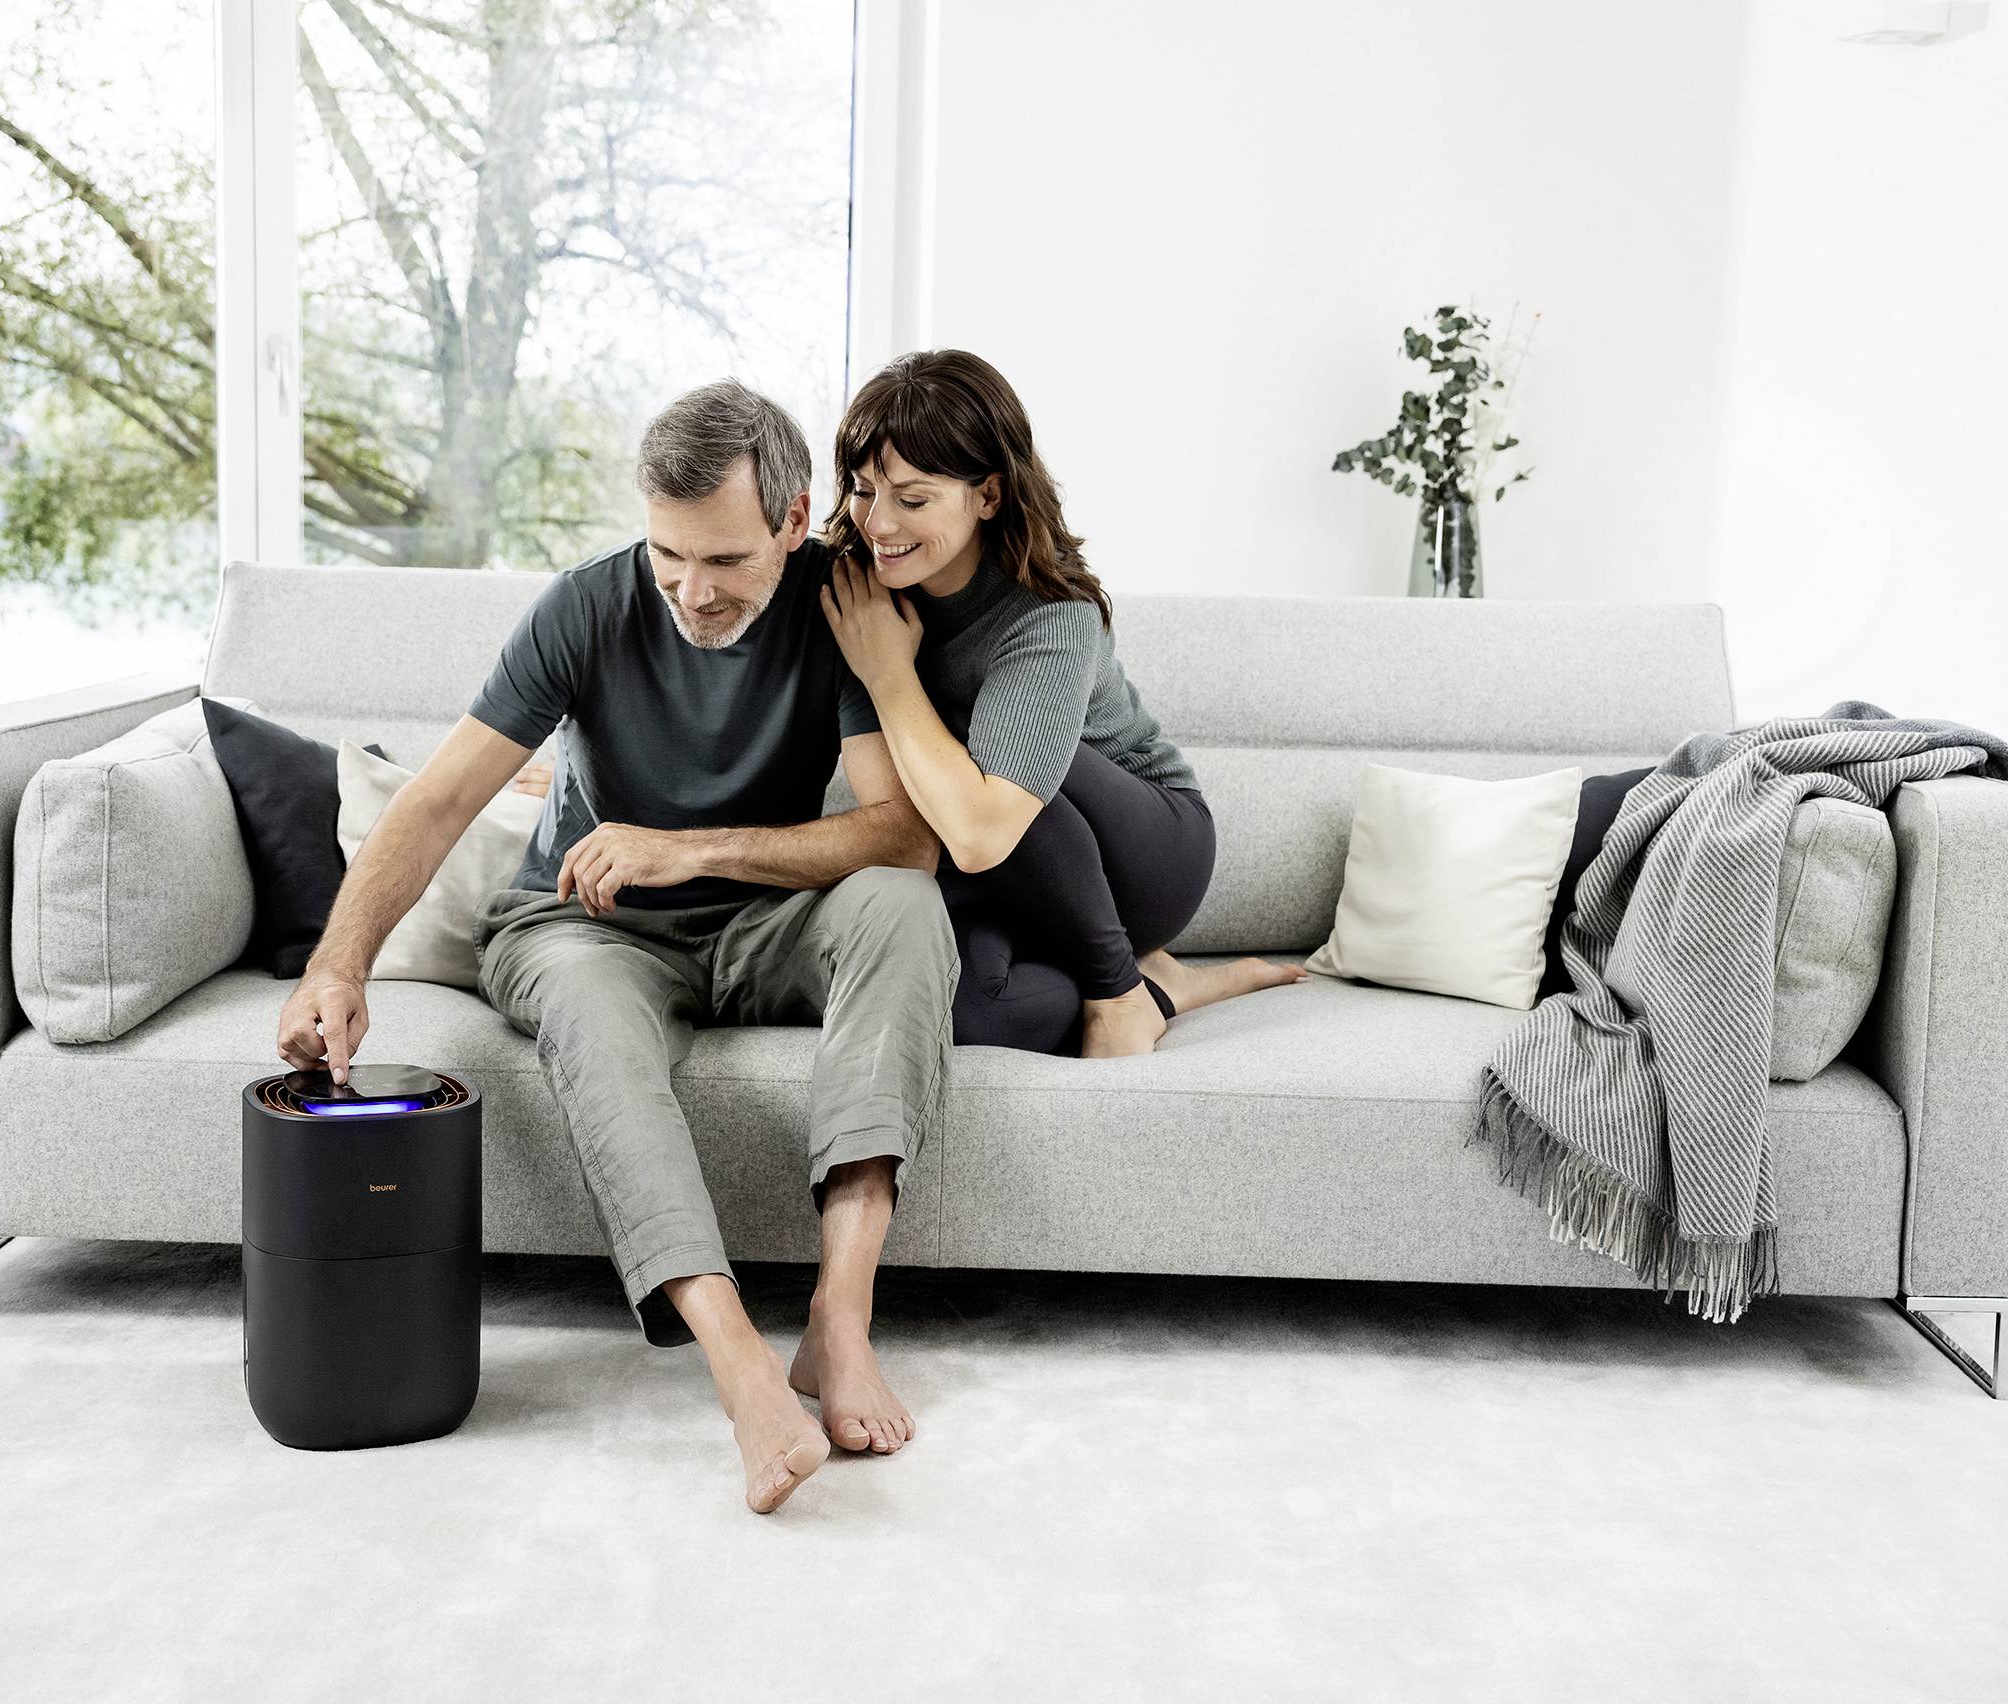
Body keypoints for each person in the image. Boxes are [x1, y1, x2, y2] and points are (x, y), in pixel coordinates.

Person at [274, 380, 957, 1516]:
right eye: (667, 556)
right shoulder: (584, 608)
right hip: (581, 928)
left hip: (752, 924)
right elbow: (440, 801)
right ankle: (738, 1361)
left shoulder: (841, 611)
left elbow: (901, 837)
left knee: (903, 905)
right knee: (589, 1005)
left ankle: (839, 1320)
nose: (691, 591)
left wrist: (687, 849)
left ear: (794, 520)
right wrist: (337, 965)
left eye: (726, 560)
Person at [816, 349, 1304, 1059]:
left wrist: (889, 674)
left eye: (912, 499)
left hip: (1141, 854)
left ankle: (1115, 987)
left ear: (988, 495)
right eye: (863, 490)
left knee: (972, 739)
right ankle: (1165, 992)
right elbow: (908, 827)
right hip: (991, 861)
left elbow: (983, 831)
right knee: (964, 1011)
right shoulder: (859, 594)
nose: (878, 524)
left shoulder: (1051, 613)